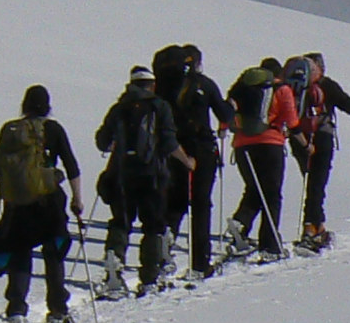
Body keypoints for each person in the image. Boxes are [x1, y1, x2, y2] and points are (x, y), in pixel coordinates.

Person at [0, 85, 84, 323]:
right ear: (47, 106)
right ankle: (57, 312)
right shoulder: (54, 129)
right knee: (54, 253)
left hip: (17, 205)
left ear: (24, 106)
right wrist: (77, 200)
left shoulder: (11, 130)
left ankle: (16, 315)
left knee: (20, 255)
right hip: (49, 202)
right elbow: (71, 165)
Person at [94, 65, 186, 297]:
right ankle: (149, 278)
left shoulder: (119, 108)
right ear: (152, 84)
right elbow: (167, 141)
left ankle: (114, 262)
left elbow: (102, 141)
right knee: (153, 225)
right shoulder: (159, 106)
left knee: (121, 222)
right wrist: (188, 161)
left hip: (121, 174)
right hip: (152, 175)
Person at [153, 44, 235, 277]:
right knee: (201, 204)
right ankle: (200, 262)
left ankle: (165, 242)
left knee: (175, 201)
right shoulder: (204, 84)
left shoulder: (163, 86)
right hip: (202, 149)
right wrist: (232, 107)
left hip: (173, 149)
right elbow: (225, 114)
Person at [292, 52, 350, 252]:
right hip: (321, 137)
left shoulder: (294, 86)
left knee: (312, 182)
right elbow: (347, 104)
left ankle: (317, 225)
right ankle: (310, 230)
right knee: (317, 183)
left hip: (299, 139)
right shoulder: (327, 85)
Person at [225, 57, 298, 258]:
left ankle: (241, 222)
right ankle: (270, 243)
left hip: (242, 146)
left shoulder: (242, 87)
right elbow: (292, 120)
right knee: (272, 194)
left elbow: (227, 112)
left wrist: (224, 129)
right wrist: (304, 143)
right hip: (270, 144)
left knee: (254, 188)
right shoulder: (282, 89)